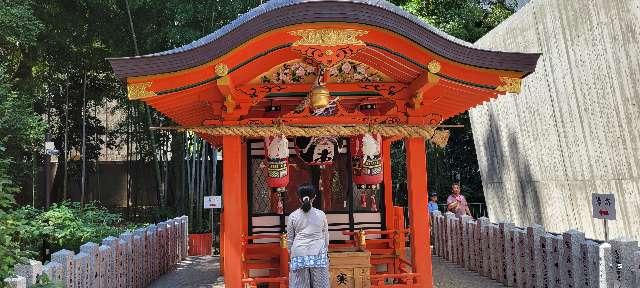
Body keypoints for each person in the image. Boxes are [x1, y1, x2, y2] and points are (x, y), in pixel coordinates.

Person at [287, 185, 330, 288]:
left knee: (299, 284)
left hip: (299, 252)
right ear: (314, 197)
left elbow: (290, 239)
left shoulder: (293, 216)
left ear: (299, 198)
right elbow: (325, 237)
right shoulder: (321, 214)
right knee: (320, 284)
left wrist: (291, 253)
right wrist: (326, 250)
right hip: (318, 252)